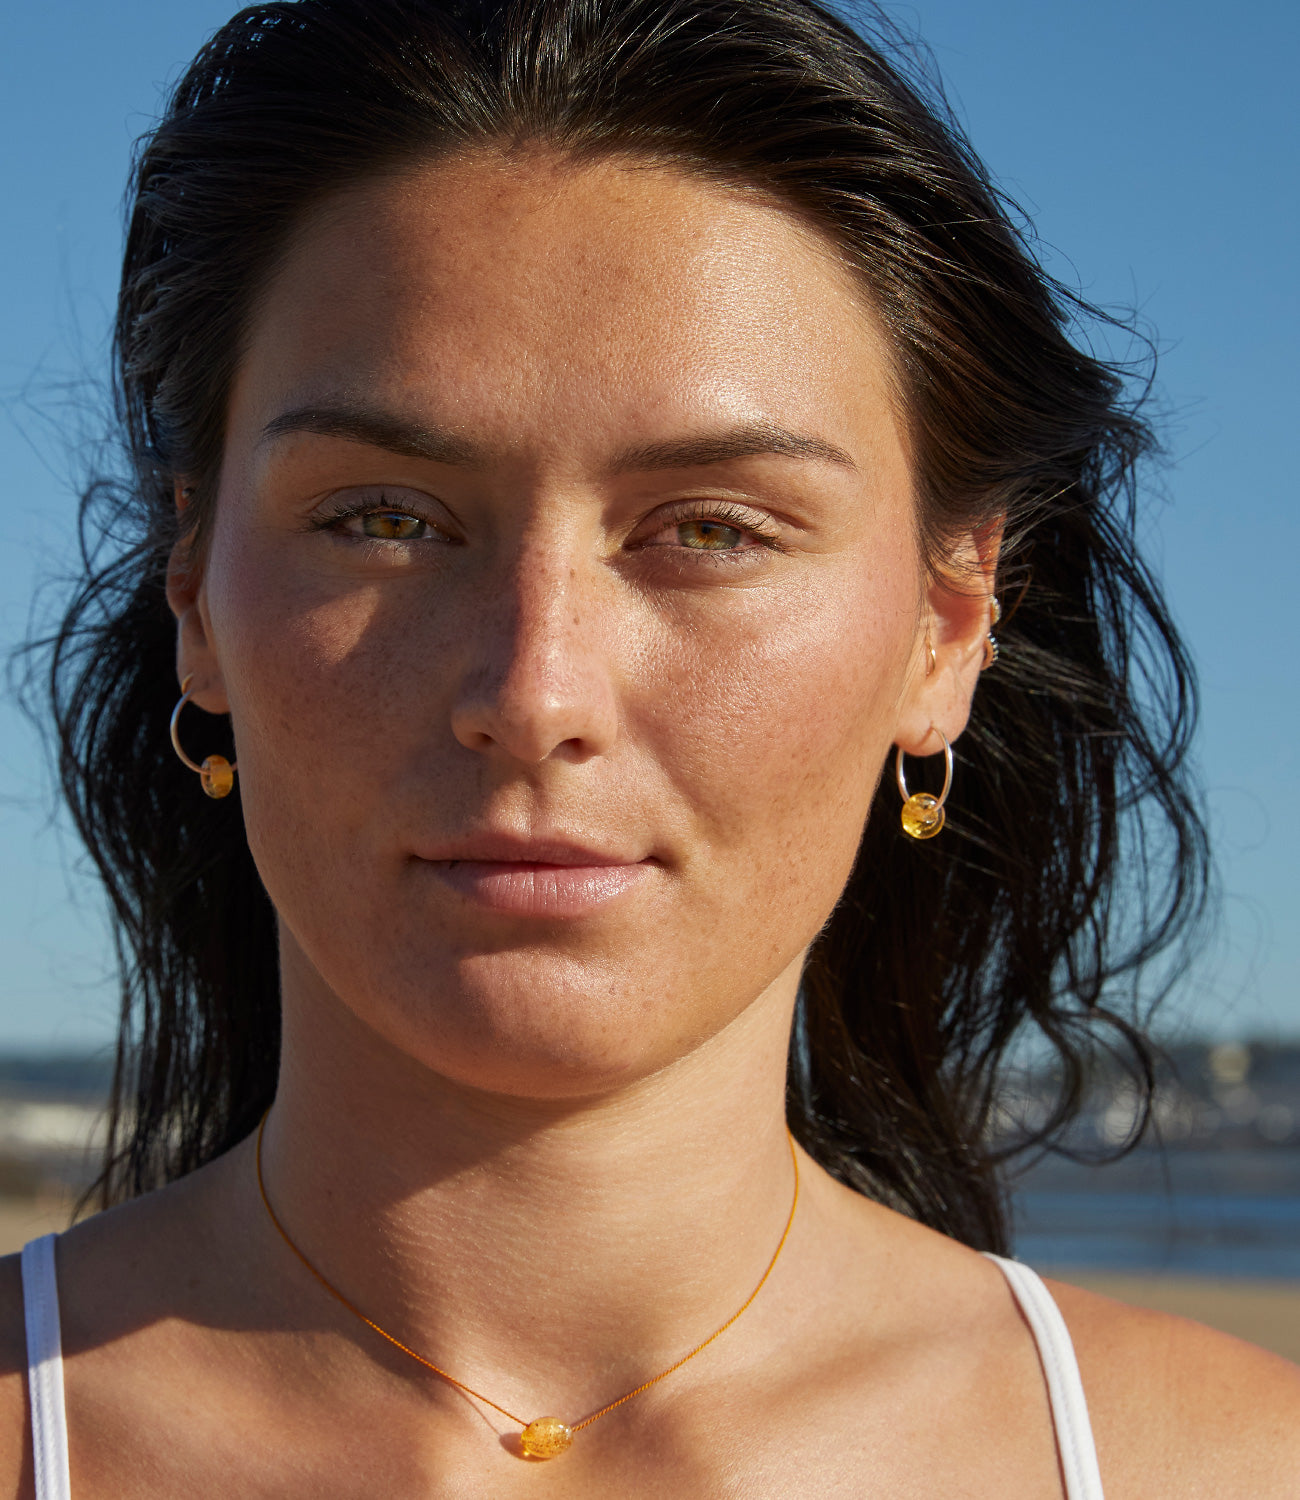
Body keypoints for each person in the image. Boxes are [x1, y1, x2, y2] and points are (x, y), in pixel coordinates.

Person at [4, 0, 1298, 1493]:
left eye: (710, 530)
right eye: (384, 521)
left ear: (946, 628)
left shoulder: (1220, 1464)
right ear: (197, 593)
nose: (538, 690)